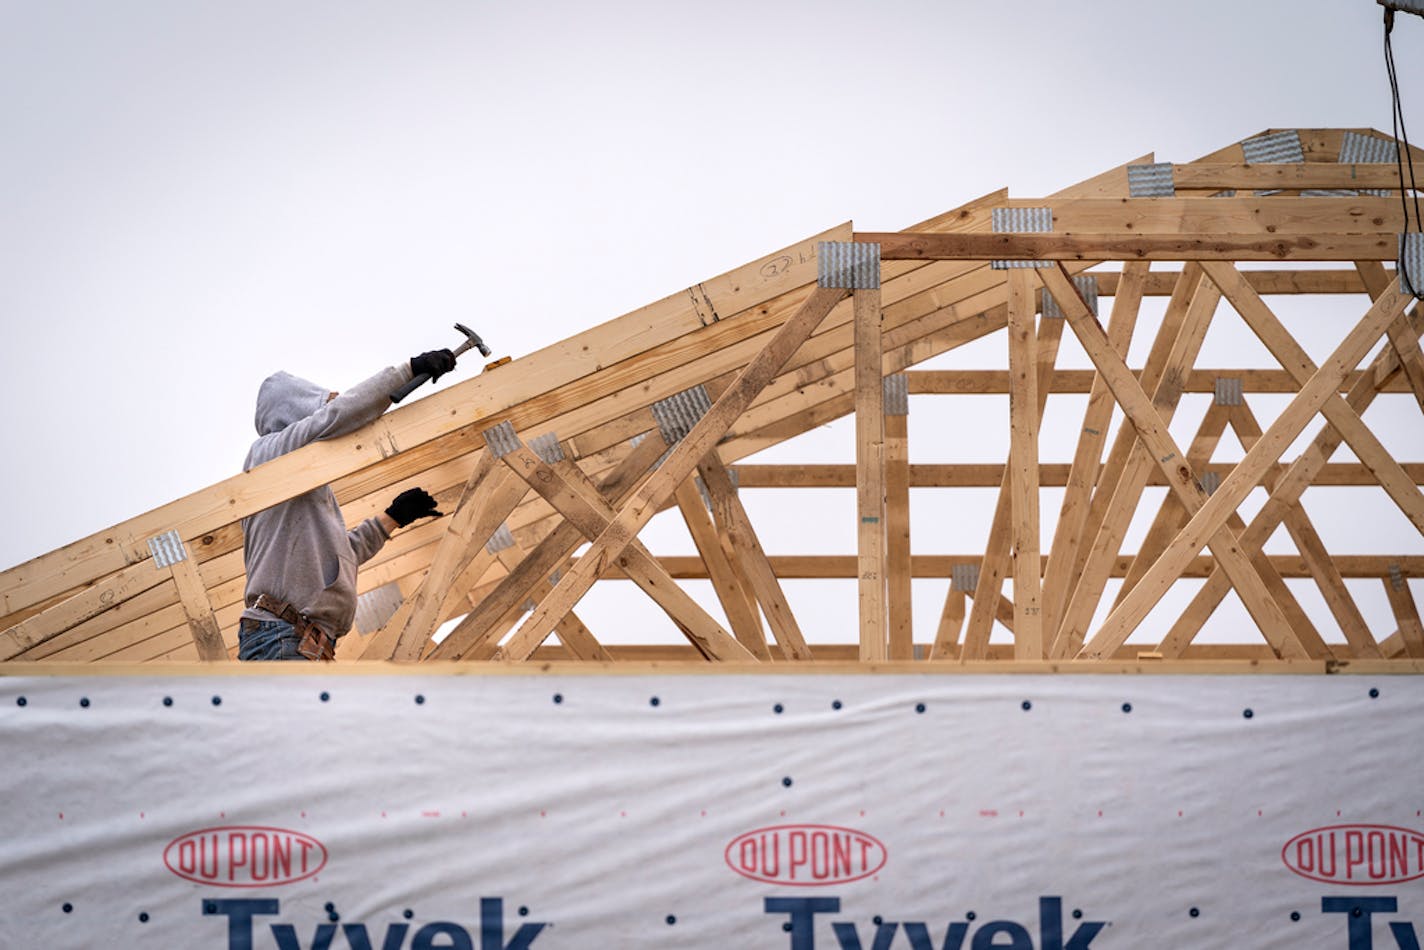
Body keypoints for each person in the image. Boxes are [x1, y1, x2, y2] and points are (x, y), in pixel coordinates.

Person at [237, 349, 458, 661]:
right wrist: (409, 369)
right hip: (282, 636)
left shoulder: (299, 492)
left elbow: (338, 557)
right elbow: (337, 416)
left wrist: (393, 517)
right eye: (316, 406)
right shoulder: (270, 454)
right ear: (295, 411)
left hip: (296, 639)